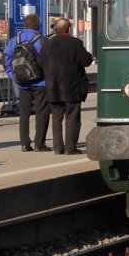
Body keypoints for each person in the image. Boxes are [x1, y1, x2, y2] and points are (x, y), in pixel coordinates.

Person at [38, 18, 94, 155]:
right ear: (68, 29)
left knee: (56, 118)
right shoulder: (75, 43)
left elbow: (39, 62)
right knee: (72, 118)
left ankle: (58, 147)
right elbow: (86, 61)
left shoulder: (47, 44)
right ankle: (70, 148)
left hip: (53, 88)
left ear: (55, 29)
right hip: (72, 88)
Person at [3, 13, 50, 152]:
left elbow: (5, 58)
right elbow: (48, 61)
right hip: (41, 81)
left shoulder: (15, 40)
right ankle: (39, 144)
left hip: (22, 82)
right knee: (42, 112)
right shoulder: (41, 40)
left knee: (24, 112)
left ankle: (24, 143)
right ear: (38, 25)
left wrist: (13, 75)